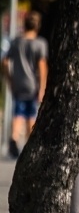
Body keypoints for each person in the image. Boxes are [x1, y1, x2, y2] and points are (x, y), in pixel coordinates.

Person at [1, 11, 48, 158]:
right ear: (37, 26)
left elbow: (4, 61)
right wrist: (42, 88)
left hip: (18, 83)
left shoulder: (16, 42)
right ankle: (29, 147)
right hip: (32, 85)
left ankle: (14, 139)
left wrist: (10, 79)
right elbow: (42, 67)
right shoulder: (40, 44)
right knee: (31, 115)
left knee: (18, 113)